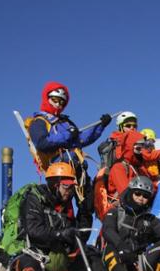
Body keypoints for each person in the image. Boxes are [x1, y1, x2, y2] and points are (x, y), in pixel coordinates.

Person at [11, 162, 96, 271]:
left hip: (58, 257)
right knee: (29, 268)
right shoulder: (34, 198)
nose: (69, 191)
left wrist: (85, 212)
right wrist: (60, 234)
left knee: (91, 254)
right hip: (34, 252)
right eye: (66, 186)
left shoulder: (65, 207)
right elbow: (34, 230)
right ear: (55, 184)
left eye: (71, 187)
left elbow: (78, 240)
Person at [28, 80, 112, 228]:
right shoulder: (39, 122)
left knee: (87, 205)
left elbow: (81, 139)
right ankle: (63, 235)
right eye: (55, 100)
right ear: (46, 98)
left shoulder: (65, 122)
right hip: (59, 171)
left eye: (61, 102)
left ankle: (80, 239)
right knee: (64, 206)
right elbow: (42, 143)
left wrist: (100, 126)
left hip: (78, 169)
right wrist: (66, 135)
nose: (58, 104)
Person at [107, 130, 152, 198]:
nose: (142, 152)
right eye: (139, 148)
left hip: (140, 204)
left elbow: (151, 187)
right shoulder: (119, 168)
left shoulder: (140, 168)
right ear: (130, 147)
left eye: (143, 147)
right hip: (120, 206)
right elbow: (126, 194)